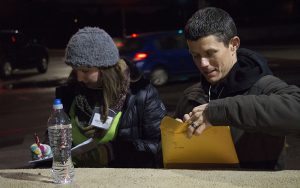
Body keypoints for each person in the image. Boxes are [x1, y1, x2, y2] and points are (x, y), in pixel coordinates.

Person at [174, 7, 300, 170]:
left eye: (210, 53)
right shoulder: (190, 96)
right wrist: (176, 137)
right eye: (195, 55)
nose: (203, 64)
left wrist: (218, 112)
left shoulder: (263, 86)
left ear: (234, 45)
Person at [41, 27, 167, 168]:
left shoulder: (141, 94)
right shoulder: (69, 94)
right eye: (75, 70)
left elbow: (161, 146)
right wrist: (45, 151)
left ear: (106, 69)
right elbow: (54, 138)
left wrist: (113, 152)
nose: (79, 77)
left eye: (85, 71)